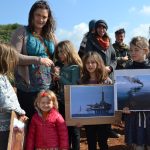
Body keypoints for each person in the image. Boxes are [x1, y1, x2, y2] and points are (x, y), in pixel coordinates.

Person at [11, 0, 56, 119]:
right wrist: (38, 60)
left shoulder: (50, 35)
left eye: (44, 17)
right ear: (32, 15)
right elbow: (13, 57)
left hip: (48, 88)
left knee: (47, 125)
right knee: (31, 125)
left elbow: (57, 56)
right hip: (27, 89)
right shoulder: (22, 31)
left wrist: (58, 67)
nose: (41, 19)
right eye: (38, 15)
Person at [84, 19, 119, 138]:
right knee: (96, 100)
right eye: (99, 27)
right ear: (95, 28)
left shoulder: (109, 42)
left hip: (109, 75)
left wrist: (110, 67)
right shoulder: (91, 41)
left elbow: (114, 59)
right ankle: (95, 128)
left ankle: (107, 130)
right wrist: (99, 68)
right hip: (96, 75)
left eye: (104, 28)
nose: (101, 30)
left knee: (108, 101)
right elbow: (87, 57)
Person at [53, 40, 83, 150]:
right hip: (61, 101)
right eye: (59, 52)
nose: (60, 54)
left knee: (74, 131)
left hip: (72, 103)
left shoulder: (75, 67)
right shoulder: (61, 66)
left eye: (62, 52)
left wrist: (59, 77)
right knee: (64, 129)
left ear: (69, 51)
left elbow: (73, 85)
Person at [80, 51, 112, 150]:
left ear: (98, 63)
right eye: (87, 62)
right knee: (91, 143)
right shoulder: (81, 81)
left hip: (104, 119)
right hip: (89, 119)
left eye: (93, 62)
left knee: (103, 143)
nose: (90, 65)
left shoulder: (106, 80)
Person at [123, 36, 150, 150]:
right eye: (131, 50)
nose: (132, 52)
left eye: (136, 50)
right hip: (133, 115)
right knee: (138, 145)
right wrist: (124, 106)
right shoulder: (127, 68)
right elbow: (124, 92)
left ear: (145, 50)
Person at [0, 43, 27, 150]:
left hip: (8, 123)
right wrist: (20, 111)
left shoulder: (3, 77)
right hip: (3, 127)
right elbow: (3, 101)